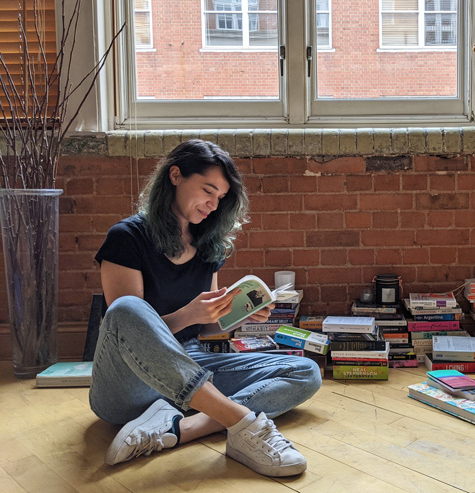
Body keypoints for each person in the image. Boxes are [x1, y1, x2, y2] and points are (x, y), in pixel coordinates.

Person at [89, 139, 322, 477]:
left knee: (305, 372)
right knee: (126, 309)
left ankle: (180, 429)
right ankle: (241, 423)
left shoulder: (208, 246)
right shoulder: (126, 237)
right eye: (208, 191)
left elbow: (209, 329)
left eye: (221, 197)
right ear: (175, 175)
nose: (213, 205)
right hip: (127, 385)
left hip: (189, 368)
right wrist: (189, 314)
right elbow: (129, 331)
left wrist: (235, 315)